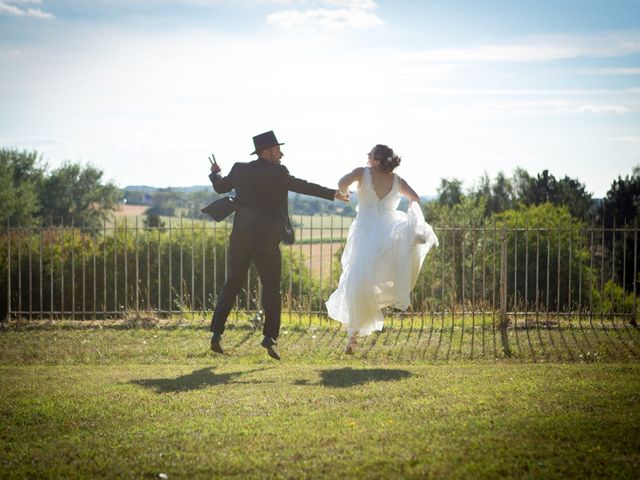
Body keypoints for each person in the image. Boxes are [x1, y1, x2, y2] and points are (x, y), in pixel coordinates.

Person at [208, 130, 349, 360]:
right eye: (276, 150)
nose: (281, 154)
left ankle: (216, 333)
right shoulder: (279, 172)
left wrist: (215, 173)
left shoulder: (239, 169)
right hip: (267, 240)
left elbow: (220, 187)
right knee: (272, 288)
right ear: (265, 152)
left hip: (241, 237)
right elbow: (303, 186)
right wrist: (334, 194)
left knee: (232, 284)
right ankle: (270, 338)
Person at [326, 144, 438, 354]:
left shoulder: (362, 173)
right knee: (377, 275)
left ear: (376, 161)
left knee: (357, 279)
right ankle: (354, 334)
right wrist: (412, 220)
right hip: (388, 232)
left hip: (365, 232)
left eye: (370, 154)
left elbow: (342, 182)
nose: (367, 155)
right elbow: (415, 198)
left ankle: (352, 336)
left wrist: (344, 192)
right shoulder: (398, 181)